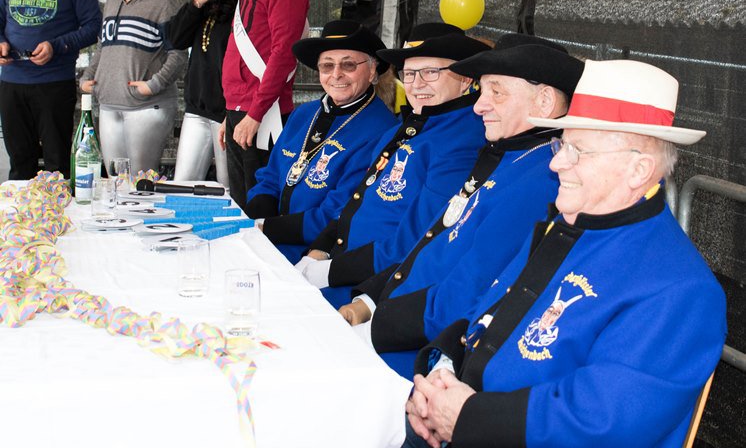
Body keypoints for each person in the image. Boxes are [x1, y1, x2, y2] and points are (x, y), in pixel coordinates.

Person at [404, 59, 727, 448]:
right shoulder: (567, 222)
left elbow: (604, 420)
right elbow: (489, 317)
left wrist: (466, 418)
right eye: (561, 144)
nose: (556, 162)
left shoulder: (680, 289)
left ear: (638, 169)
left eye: (576, 150)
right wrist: (440, 377)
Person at [338, 35, 584, 377]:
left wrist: (374, 328)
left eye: (496, 92)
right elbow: (431, 240)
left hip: (418, 351)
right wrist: (368, 302)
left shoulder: (544, 176)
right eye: (482, 91)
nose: (479, 106)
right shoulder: (507, 153)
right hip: (399, 320)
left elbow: (469, 287)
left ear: (543, 101)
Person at [295, 25, 491, 305]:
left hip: (374, 291)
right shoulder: (403, 128)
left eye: (431, 72)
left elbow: (416, 238)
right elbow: (354, 204)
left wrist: (328, 273)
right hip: (342, 271)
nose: (417, 83)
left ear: (464, 78)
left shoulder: (464, 141)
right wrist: (317, 253)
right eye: (409, 73)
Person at [246, 19, 397, 263]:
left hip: (313, 253)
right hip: (265, 239)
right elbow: (270, 177)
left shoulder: (383, 130)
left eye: (348, 65)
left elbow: (339, 212)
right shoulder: (303, 114)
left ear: (372, 71)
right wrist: (254, 221)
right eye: (327, 66)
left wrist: (263, 229)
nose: (336, 74)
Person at [0, 0, 101, 179]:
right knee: (20, 163)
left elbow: (94, 26)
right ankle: (22, 221)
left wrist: (56, 46)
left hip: (53, 83)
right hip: (12, 82)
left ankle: (58, 220)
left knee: (56, 164)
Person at [221, 0, 309, 210]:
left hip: (263, 115)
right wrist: (231, 112)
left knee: (257, 210)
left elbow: (284, 53)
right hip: (244, 111)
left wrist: (255, 112)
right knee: (241, 204)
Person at [79, 0, 186, 174]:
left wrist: (154, 84)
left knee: (141, 183)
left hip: (147, 107)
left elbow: (179, 53)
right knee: (116, 180)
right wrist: (88, 77)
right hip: (108, 104)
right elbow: (104, 47)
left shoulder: (164, 0)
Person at [169, 0, 247, 188]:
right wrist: (198, 1)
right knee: (182, 187)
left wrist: (232, 112)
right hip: (196, 110)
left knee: (229, 191)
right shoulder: (205, 0)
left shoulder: (244, 1)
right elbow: (175, 39)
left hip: (227, 113)